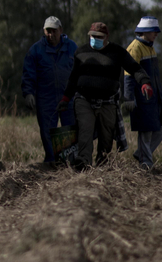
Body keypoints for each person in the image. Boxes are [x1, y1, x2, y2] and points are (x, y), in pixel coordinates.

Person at [58, 21, 154, 169]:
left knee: (107, 137)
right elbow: (73, 77)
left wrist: (145, 82)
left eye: (99, 36)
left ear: (107, 37)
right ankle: (84, 163)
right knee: (85, 130)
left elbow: (134, 68)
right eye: (92, 36)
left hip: (107, 102)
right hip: (84, 100)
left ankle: (103, 164)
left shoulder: (117, 52)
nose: (95, 38)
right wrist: (65, 98)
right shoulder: (81, 52)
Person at [21, 16, 78, 166]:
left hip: (68, 97)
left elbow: (80, 72)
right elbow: (28, 73)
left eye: (54, 31)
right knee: (47, 131)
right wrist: (28, 93)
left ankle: (68, 163)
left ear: (61, 30)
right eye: (48, 31)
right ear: (44, 31)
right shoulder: (36, 50)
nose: (51, 34)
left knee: (69, 130)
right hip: (46, 98)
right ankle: (52, 162)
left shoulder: (72, 47)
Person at [124, 16, 162, 171]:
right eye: (153, 31)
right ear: (144, 32)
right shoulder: (135, 48)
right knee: (145, 131)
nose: (156, 34)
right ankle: (146, 165)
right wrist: (129, 97)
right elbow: (128, 74)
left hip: (155, 97)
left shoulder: (150, 47)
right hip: (142, 98)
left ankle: (142, 154)